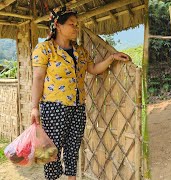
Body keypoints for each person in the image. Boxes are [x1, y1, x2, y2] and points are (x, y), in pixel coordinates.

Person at [30, 7, 129, 180]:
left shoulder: (80, 51)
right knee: (51, 150)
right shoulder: (45, 49)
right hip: (54, 108)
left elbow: (93, 69)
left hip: (78, 107)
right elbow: (38, 78)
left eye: (77, 25)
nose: (76, 28)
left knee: (73, 147)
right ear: (57, 26)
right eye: (72, 24)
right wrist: (34, 107)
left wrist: (112, 58)